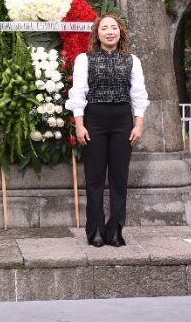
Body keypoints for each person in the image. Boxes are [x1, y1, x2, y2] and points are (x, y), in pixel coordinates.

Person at [67, 13, 150, 248]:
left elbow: (138, 94)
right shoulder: (85, 59)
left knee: (119, 178)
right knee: (94, 178)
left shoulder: (132, 60)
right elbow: (78, 92)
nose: (110, 32)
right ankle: (95, 230)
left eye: (114, 27)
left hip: (123, 120)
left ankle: (115, 230)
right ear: (97, 33)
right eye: (105, 28)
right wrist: (80, 124)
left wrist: (139, 123)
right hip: (95, 119)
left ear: (120, 32)